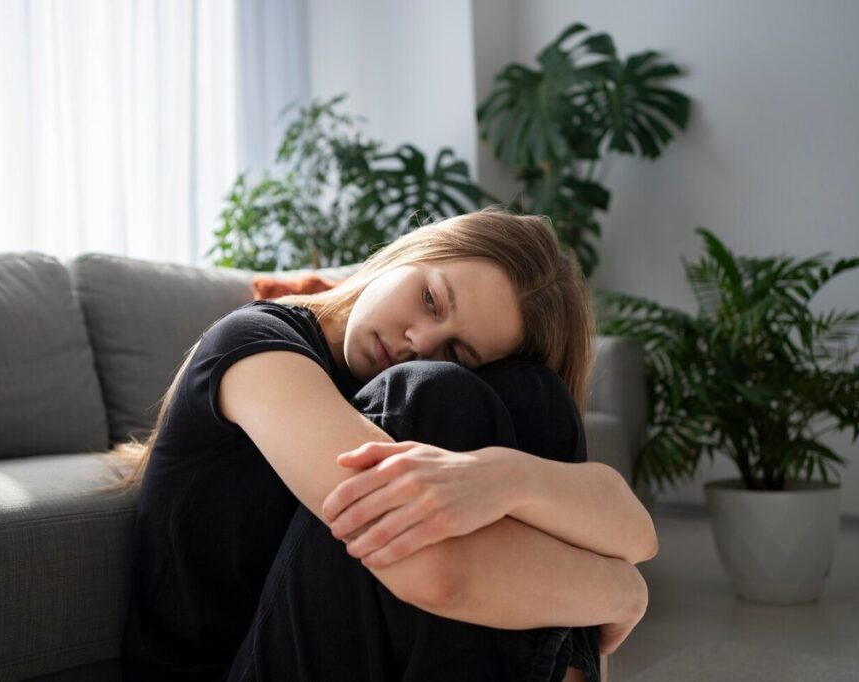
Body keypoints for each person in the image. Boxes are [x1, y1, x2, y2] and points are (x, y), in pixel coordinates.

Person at [100, 206, 656, 682]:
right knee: (435, 393)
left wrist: (507, 477)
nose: (420, 341)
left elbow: (638, 535)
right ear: (410, 252)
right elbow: (436, 574)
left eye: (457, 349)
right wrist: (621, 593)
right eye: (433, 301)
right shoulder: (254, 345)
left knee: (538, 395)